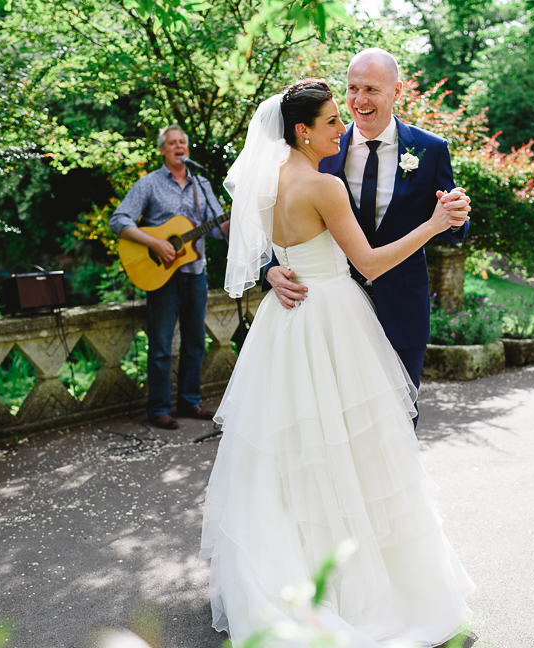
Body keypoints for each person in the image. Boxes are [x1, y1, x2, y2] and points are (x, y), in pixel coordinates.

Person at [199, 80, 474, 648]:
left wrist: (276, 270)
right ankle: (362, 594)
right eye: (329, 120)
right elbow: (369, 264)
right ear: (303, 131)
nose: (339, 126)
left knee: (290, 459)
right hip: (329, 316)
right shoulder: (324, 185)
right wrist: (435, 225)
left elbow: (267, 248)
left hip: (285, 326)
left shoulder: (266, 181)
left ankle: (286, 581)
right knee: (352, 453)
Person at [265, 48, 469, 398]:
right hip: (329, 314)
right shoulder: (322, 145)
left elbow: (452, 228)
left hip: (401, 311)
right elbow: (282, 212)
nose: (359, 100)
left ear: (397, 91)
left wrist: (455, 216)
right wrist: (271, 268)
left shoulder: (430, 149)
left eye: (371, 89)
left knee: (399, 423)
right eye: (352, 88)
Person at [109, 125, 229, 429]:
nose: (179, 147)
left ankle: (190, 402)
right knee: (161, 345)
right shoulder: (148, 184)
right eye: (172, 143)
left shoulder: (201, 183)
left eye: (183, 142)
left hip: (195, 273)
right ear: (162, 150)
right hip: (160, 275)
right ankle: (159, 408)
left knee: (195, 342)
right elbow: (119, 219)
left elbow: (216, 229)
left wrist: (238, 216)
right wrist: (155, 243)